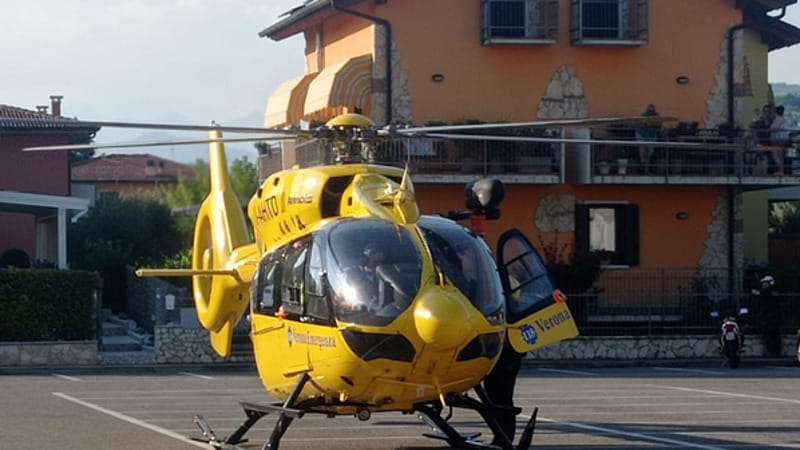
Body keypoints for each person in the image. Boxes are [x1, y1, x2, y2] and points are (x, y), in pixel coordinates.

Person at [636, 104, 661, 174]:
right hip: (642, 134)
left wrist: (653, 123)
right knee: (642, 146)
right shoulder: (643, 116)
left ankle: (646, 170)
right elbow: (639, 124)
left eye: (651, 111)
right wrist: (646, 123)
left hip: (651, 136)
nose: (650, 113)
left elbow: (659, 125)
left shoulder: (656, 116)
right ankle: (642, 160)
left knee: (649, 153)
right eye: (649, 111)